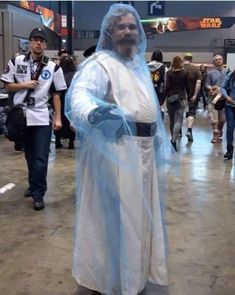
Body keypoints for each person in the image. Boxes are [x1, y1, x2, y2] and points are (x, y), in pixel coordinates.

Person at [65, 3, 168, 295]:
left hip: (144, 154)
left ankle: (135, 275)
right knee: (117, 222)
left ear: (139, 33)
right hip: (118, 154)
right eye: (121, 26)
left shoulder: (138, 67)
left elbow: (150, 111)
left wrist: (159, 136)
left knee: (141, 221)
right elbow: (81, 95)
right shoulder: (100, 64)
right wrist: (93, 112)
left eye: (132, 26)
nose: (127, 31)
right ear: (109, 32)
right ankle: (112, 278)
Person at [0, 27, 67, 210]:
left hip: (42, 117)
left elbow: (56, 95)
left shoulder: (53, 66)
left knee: (41, 157)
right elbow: (7, 87)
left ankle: (38, 194)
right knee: (30, 155)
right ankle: (33, 184)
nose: (38, 43)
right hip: (22, 117)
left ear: (45, 44)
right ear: (29, 42)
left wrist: (58, 118)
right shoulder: (16, 61)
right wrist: (25, 84)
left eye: (41, 40)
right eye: (35, 39)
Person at [165, 56, 189, 151]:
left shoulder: (169, 73)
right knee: (178, 120)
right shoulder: (185, 73)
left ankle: (172, 137)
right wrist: (190, 96)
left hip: (170, 98)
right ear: (181, 62)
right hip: (181, 98)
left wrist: (163, 98)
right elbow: (187, 86)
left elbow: (167, 87)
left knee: (171, 120)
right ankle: (174, 140)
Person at [54, 55, 76, 149]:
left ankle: (58, 142)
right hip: (71, 101)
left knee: (59, 120)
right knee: (70, 120)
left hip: (60, 101)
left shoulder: (58, 73)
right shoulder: (75, 74)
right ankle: (71, 142)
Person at [205, 54, 226, 143]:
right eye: (216, 59)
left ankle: (220, 130)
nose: (218, 61)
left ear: (223, 61)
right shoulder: (210, 73)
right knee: (214, 119)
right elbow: (206, 84)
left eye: (220, 59)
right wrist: (211, 88)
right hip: (212, 99)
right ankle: (215, 136)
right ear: (214, 62)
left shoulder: (227, 72)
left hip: (223, 99)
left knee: (222, 120)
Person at [183, 53, 202, 142]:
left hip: (178, 96)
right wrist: (195, 95)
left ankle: (178, 132)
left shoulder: (177, 68)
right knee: (191, 113)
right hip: (191, 96)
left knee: (178, 114)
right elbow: (198, 83)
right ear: (191, 59)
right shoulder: (195, 69)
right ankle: (189, 130)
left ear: (184, 59)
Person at [220, 70, 235, 160]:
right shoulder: (231, 75)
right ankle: (229, 150)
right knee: (230, 127)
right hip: (230, 106)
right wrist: (226, 96)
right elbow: (222, 87)